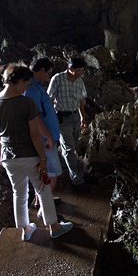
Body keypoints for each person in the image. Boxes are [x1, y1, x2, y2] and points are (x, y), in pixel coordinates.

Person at [0, 64, 73, 241]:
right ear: (18, 81)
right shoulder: (26, 103)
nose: (26, 88)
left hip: (8, 157)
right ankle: (54, 227)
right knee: (43, 190)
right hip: (29, 156)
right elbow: (35, 134)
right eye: (26, 84)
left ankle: (25, 229)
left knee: (19, 192)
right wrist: (43, 158)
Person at [47, 57, 91, 193]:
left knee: (73, 147)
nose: (80, 73)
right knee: (69, 149)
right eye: (78, 71)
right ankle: (77, 180)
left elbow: (81, 100)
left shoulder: (79, 81)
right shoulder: (58, 79)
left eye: (82, 71)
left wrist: (83, 116)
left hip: (75, 117)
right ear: (70, 69)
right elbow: (50, 99)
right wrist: (51, 119)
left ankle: (69, 170)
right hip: (62, 118)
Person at [24, 57, 62, 195]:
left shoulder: (35, 88)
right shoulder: (32, 90)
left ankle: (39, 201)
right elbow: (35, 118)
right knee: (53, 172)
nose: (48, 77)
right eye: (48, 73)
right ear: (41, 70)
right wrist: (48, 137)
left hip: (45, 139)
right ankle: (44, 206)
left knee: (44, 172)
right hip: (45, 140)